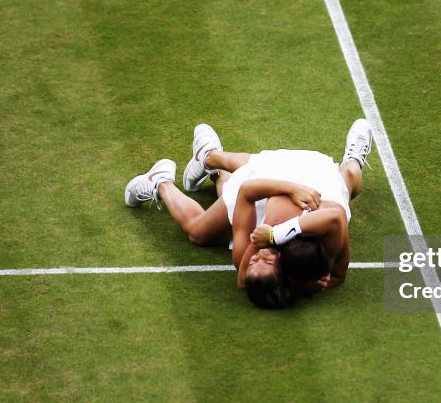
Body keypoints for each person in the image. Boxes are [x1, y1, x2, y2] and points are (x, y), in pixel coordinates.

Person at [124, 120, 373, 309]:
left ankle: (162, 180)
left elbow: (247, 192)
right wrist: (338, 276)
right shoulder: (312, 245)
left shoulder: (249, 252)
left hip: (266, 184)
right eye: (267, 263)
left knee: (199, 232)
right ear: (285, 271)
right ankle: (352, 159)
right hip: (314, 176)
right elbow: (336, 217)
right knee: (349, 180)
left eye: (255, 262)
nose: (260, 256)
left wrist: (286, 198)